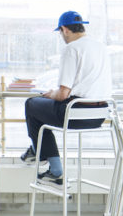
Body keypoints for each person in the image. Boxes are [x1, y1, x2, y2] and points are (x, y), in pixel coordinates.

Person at [22, 10, 112, 187]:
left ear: (65, 29)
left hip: (76, 113)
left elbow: (63, 94)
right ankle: (37, 151)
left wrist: (50, 94)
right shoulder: (100, 47)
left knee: (32, 105)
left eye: (61, 33)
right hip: (100, 114)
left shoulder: (71, 49)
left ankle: (51, 167)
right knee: (42, 111)